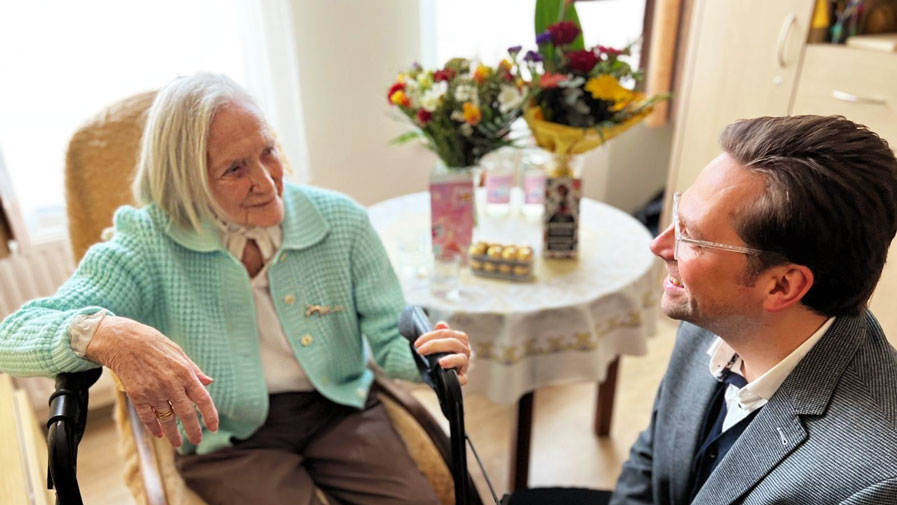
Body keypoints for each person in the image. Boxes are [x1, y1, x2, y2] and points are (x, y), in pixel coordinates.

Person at [0, 73, 472, 505]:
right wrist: (106, 334)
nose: (267, 181)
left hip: (340, 409)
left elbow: (390, 336)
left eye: (268, 151)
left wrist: (429, 357)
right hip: (224, 437)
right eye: (235, 169)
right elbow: (13, 334)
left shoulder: (341, 220)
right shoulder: (147, 244)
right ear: (185, 180)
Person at [611, 115, 897, 505]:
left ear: (782, 286)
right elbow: (652, 456)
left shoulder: (876, 477)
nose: (661, 246)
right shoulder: (715, 314)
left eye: (692, 239)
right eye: (679, 218)